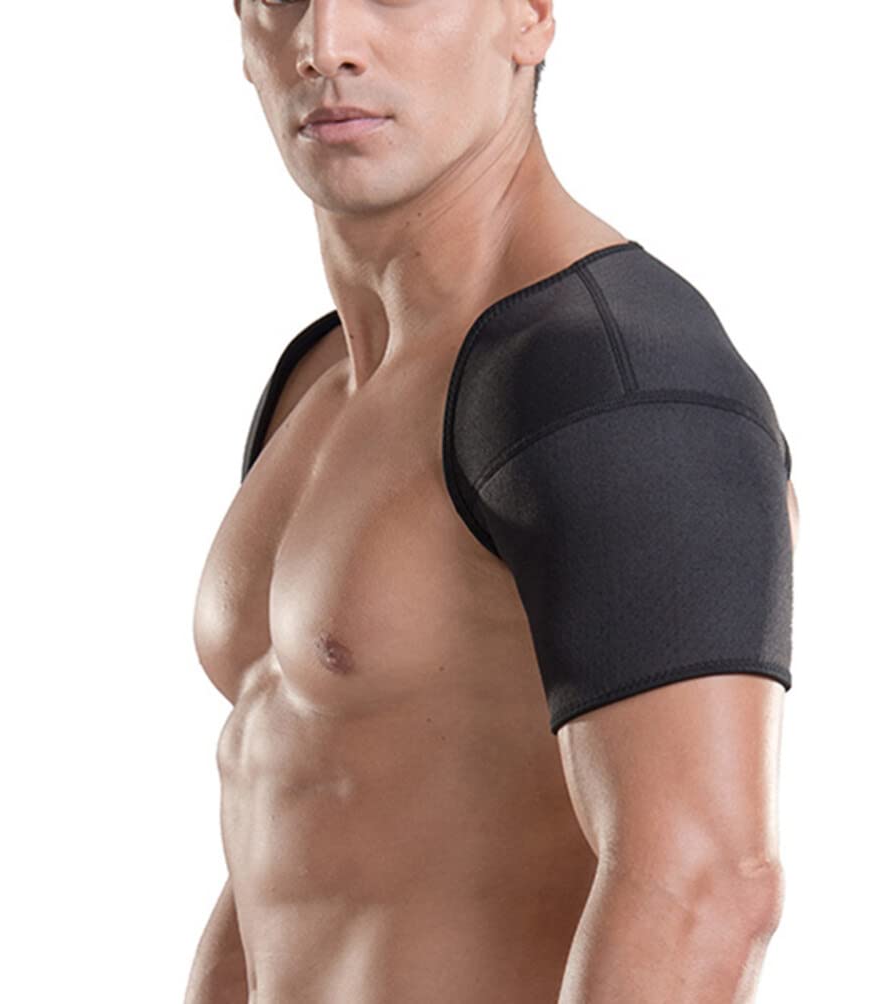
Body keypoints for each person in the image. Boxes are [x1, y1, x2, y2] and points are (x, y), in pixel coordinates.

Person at [185, 1, 799, 1001]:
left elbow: (704, 887)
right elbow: (298, 843)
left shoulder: (614, 380)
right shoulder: (319, 380)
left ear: (528, 16)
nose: (324, 43)